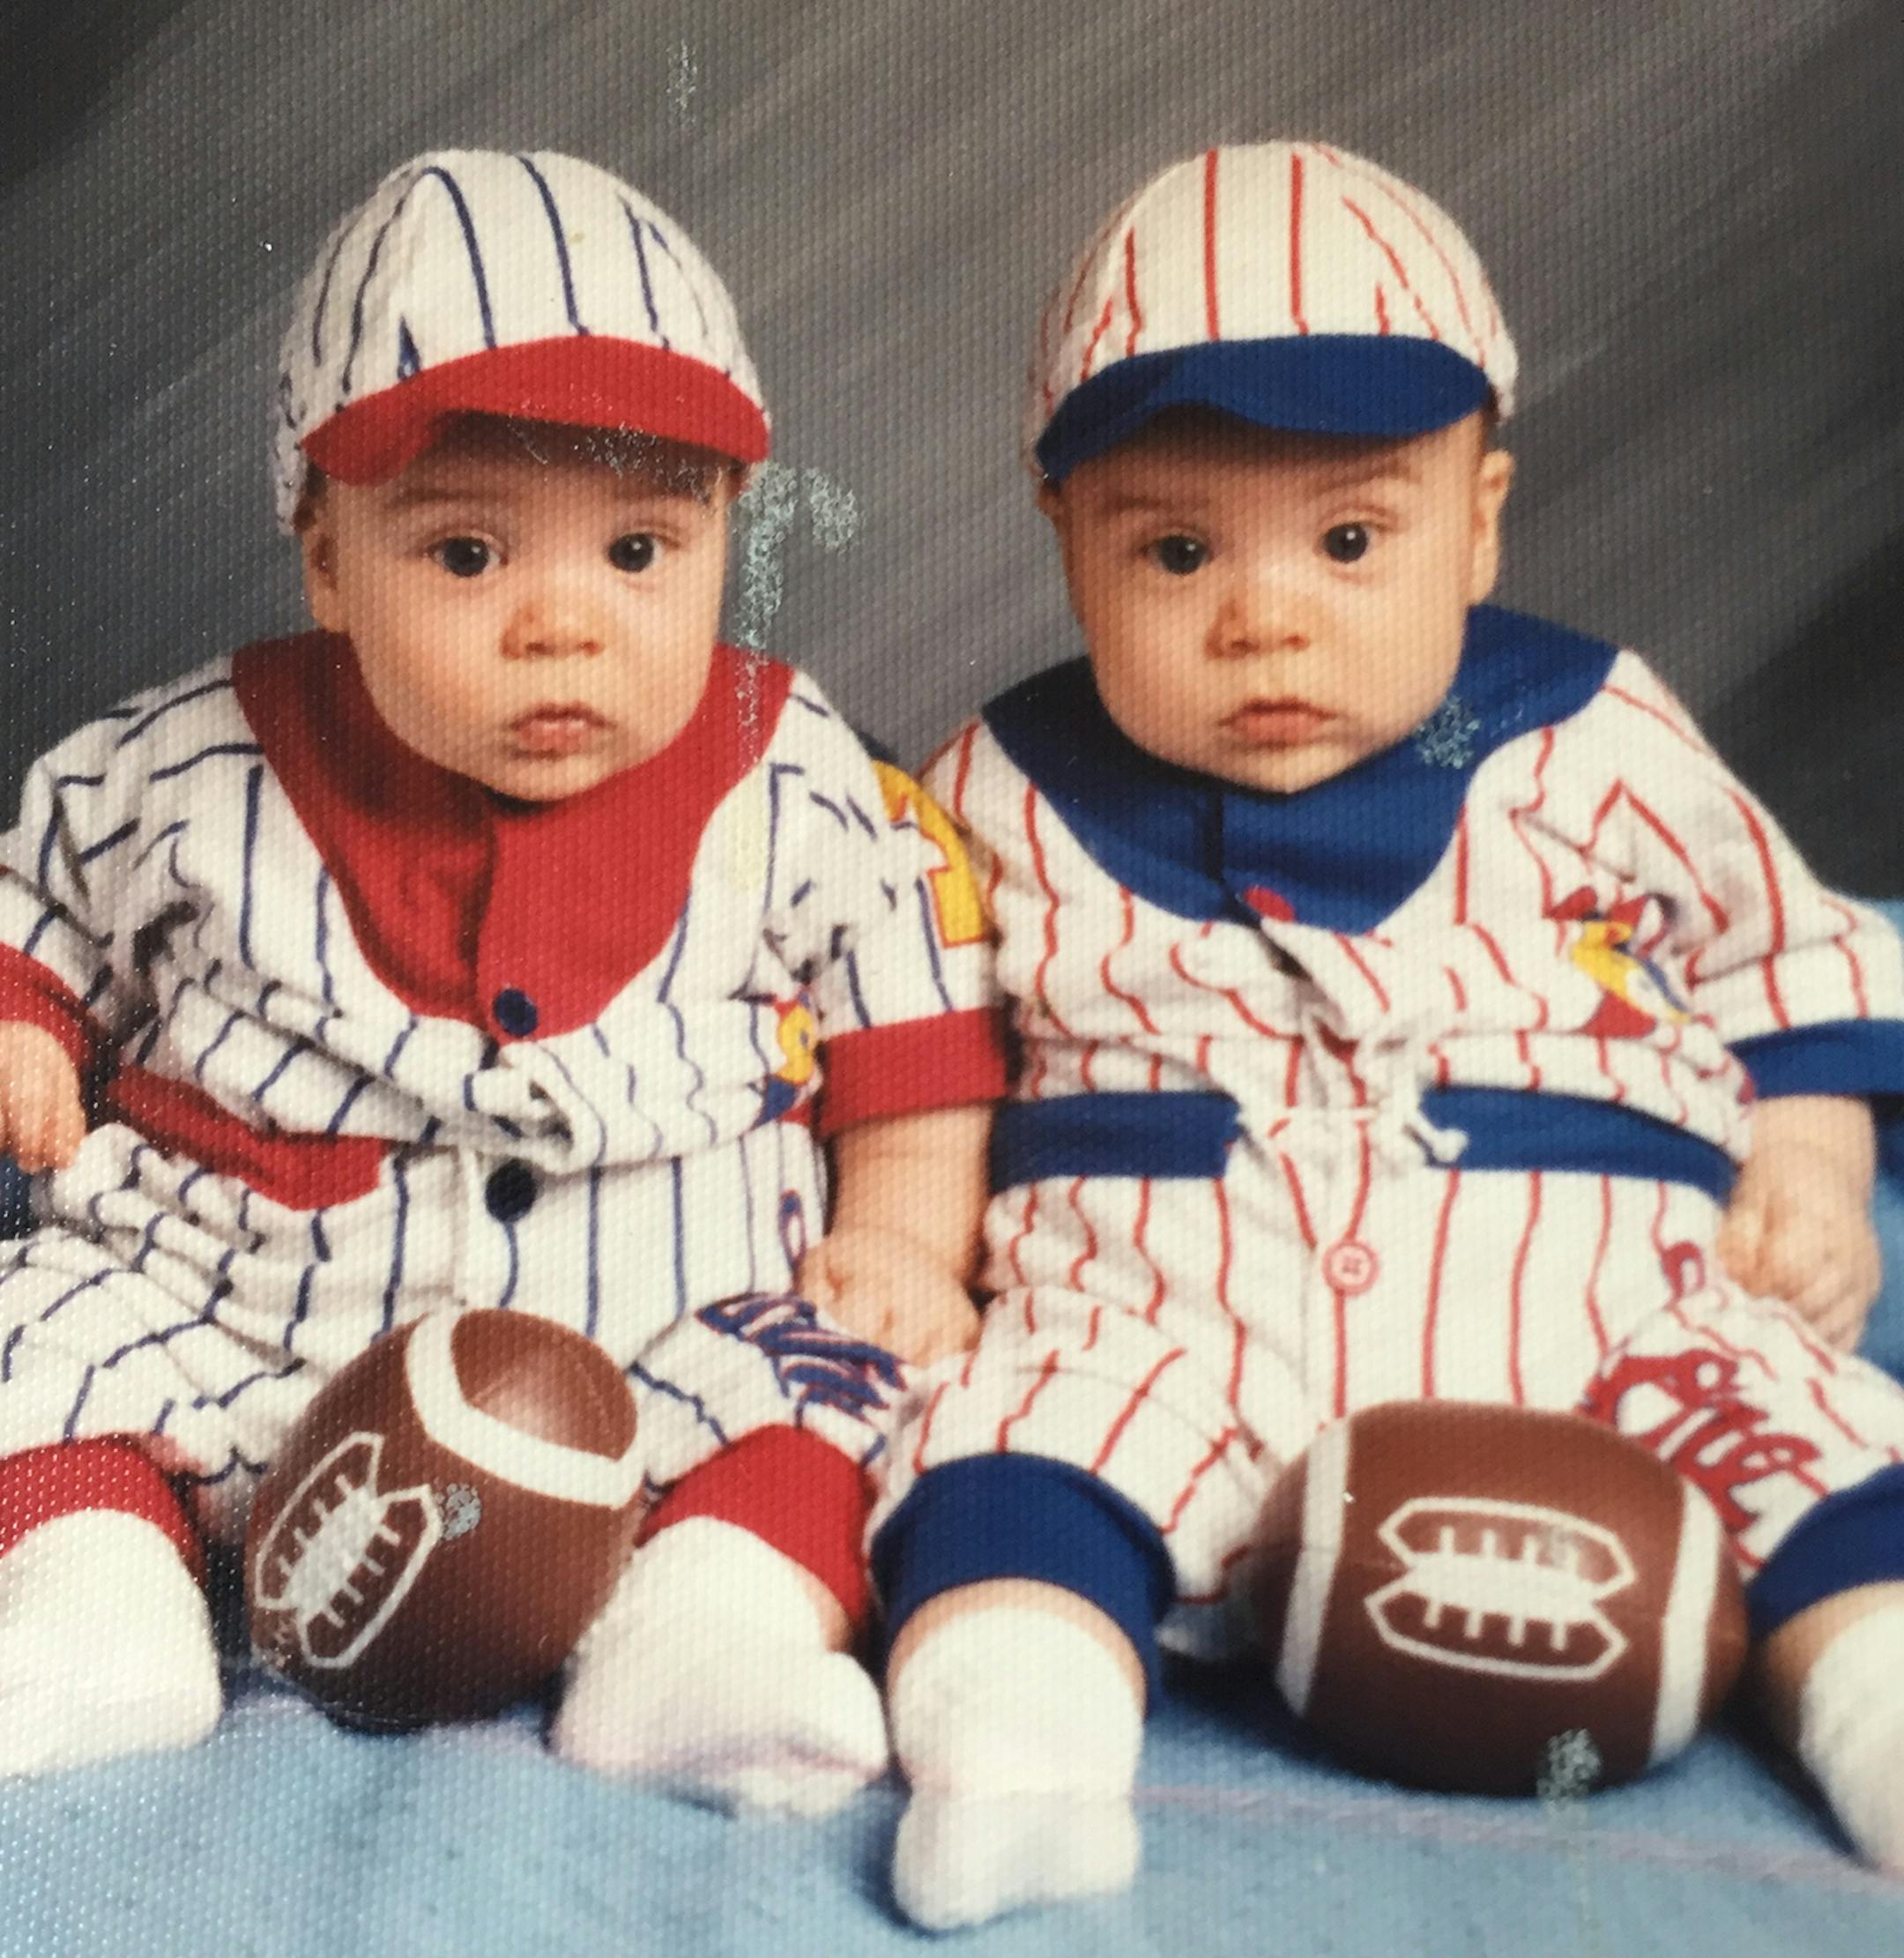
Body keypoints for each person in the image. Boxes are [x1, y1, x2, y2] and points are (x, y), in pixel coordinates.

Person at [868, 140, 1904, 1929]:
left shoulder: (1587, 734)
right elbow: (919, 1047)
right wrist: (916, 1241)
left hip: (1605, 1310)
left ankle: (1876, 1696)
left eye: (1354, 539)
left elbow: (1793, 961)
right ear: (1063, 542)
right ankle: (1016, 1747)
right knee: (1007, 1441)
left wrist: (1807, 1167)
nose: (1266, 614)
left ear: (1481, 517)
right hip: (1159, 1313)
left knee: (1804, 1429)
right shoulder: (999, 791)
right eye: (1177, 548)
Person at [0, 149, 1003, 1812]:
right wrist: (23, 1016)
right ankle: (98, 1604)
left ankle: (712, 1629)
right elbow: (35, 896)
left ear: (727, 541)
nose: (563, 622)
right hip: (241, 1327)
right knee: (36, 1339)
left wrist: (899, 1234)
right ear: (325, 558)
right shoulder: (179, 764)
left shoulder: (794, 765)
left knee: (835, 1394)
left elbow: (914, 1022)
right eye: (466, 558)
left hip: (655, 1339)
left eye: (638, 551)